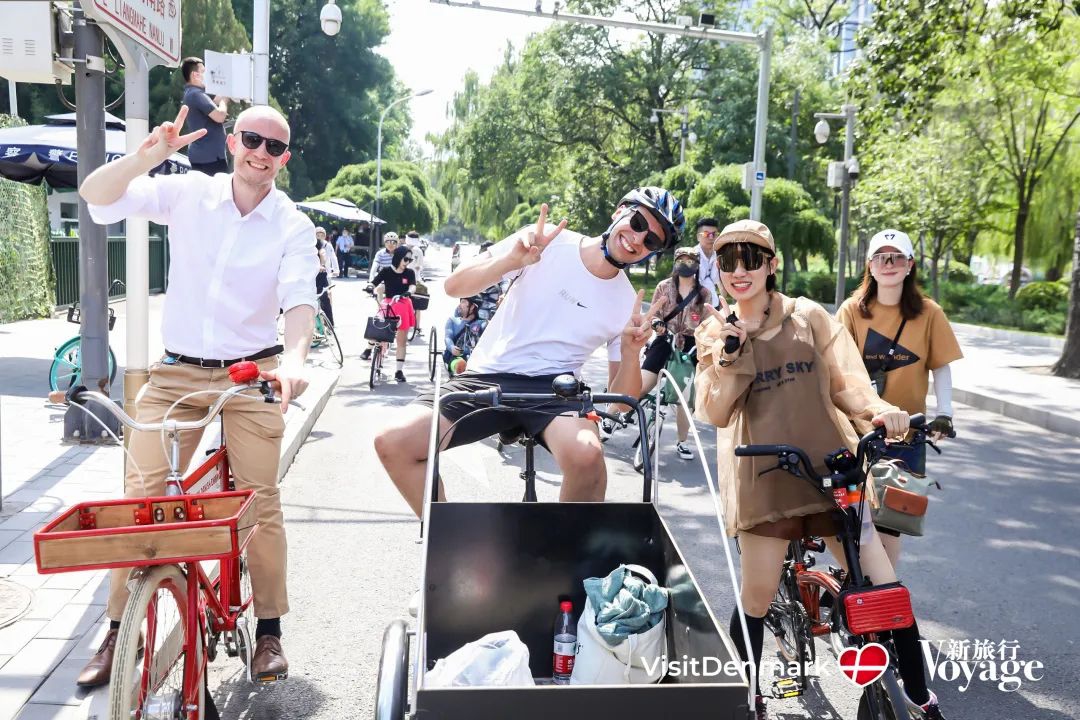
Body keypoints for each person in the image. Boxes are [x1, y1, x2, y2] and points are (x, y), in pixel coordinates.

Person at [75, 104, 317, 686]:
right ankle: (116, 632)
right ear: (234, 142)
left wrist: (296, 363)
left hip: (250, 375)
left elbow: (299, 295)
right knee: (142, 495)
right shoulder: (189, 193)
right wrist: (148, 156)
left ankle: (269, 631)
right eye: (252, 139)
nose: (261, 152)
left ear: (284, 158)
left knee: (260, 498)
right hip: (177, 372)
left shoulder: (292, 223)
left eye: (274, 146)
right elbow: (96, 197)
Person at [693, 219, 947, 720]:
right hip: (763, 480)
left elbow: (847, 381)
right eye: (727, 262)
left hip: (834, 471)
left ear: (772, 264)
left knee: (883, 583)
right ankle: (743, 695)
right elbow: (716, 411)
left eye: (751, 259)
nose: (739, 271)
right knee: (758, 595)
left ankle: (921, 698)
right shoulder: (716, 331)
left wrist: (879, 411)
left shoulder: (807, 316)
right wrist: (730, 352)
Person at [374, 187, 685, 517]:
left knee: (588, 457)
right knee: (393, 441)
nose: (637, 240)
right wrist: (511, 261)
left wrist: (629, 349)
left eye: (651, 241)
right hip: (487, 376)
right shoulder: (547, 242)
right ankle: (447, 534)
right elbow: (454, 287)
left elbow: (622, 402)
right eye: (637, 222)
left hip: (555, 391)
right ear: (619, 210)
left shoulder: (627, 301)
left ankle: (565, 558)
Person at [836, 229, 962, 568]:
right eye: (881, 257)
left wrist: (945, 414)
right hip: (858, 435)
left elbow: (942, 367)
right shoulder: (851, 311)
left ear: (910, 265)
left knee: (892, 525)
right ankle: (856, 586)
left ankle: (883, 598)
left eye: (897, 258)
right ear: (870, 267)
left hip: (907, 437)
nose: (888, 264)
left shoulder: (929, 312)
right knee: (853, 522)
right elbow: (835, 368)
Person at [620, 246, 709, 460]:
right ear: (675, 262)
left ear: (697, 265)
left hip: (690, 346)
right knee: (641, 385)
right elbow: (654, 315)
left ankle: (682, 442)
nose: (686, 265)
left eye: (690, 261)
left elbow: (707, 323)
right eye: (682, 260)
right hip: (664, 339)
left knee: (683, 399)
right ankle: (611, 416)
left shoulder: (704, 293)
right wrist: (658, 324)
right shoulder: (664, 287)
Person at [362, 245, 417, 382]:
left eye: (410, 260)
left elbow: (412, 286)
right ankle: (369, 347)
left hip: (404, 303)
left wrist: (408, 293)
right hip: (389, 302)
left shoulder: (409, 273)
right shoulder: (386, 271)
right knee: (378, 323)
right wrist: (370, 287)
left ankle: (399, 370)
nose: (407, 262)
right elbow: (374, 282)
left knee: (401, 340)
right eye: (405, 259)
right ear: (398, 257)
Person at [179, 57, 230, 175]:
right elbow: (219, 115)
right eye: (203, 72)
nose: (207, 75)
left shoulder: (194, 93)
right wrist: (224, 102)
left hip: (206, 156)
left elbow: (213, 103)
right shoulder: (196, 94)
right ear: (195, 75)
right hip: (209, 157)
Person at [443, 295, 485, 372]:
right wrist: (452, 347)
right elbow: (448, 338)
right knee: (461, 365)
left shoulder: (482, 323)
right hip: (457, 357)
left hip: (477, 358)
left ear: (472, 306)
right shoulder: (452, 320)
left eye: (463, 302)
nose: (459, 305)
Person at [694, 217, 721, 306]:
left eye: (714, 234)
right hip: (693, 306)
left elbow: (721, 284)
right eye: (706, 234)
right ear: (698, 237)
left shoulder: (720, 256)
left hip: (714, 305)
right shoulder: (690, 256)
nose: (711, 238)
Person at [315, 226, 336, 327]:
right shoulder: (301, 243)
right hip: (307, 275)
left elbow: (323, 253)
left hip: (322, 273)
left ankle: (329, 324)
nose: (319, 236)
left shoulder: (322, 244)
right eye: (317, 234)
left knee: (325, 297)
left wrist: (322, 265)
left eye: (321, 234)